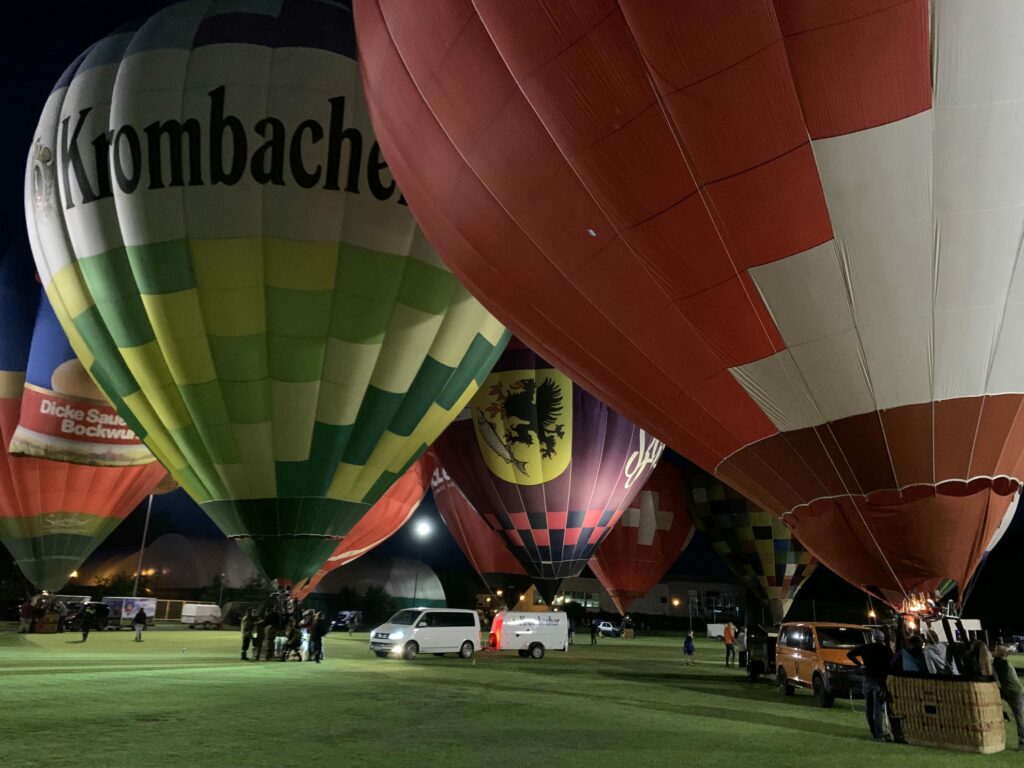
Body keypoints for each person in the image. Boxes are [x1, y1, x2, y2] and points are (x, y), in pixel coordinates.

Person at [848, 629, 894, 742]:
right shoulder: (887, 650)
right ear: (883, 639)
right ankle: (879, 734)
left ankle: (873, 732)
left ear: (873, 638)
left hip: (868, 679)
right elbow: (891, 665)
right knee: (877, 709)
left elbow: (850, 654)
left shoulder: (865, 648)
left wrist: (860, 665)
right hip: (880, 681)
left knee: (868, 708)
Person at [994, 645, 1024, 751]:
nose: (994, 651)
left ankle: (1022, 743)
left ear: (1001, 654)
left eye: (996, 650)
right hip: (1009, 692)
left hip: (1014, 693)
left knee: (1019, 718)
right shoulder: (1001, 663)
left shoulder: (1003, 664)